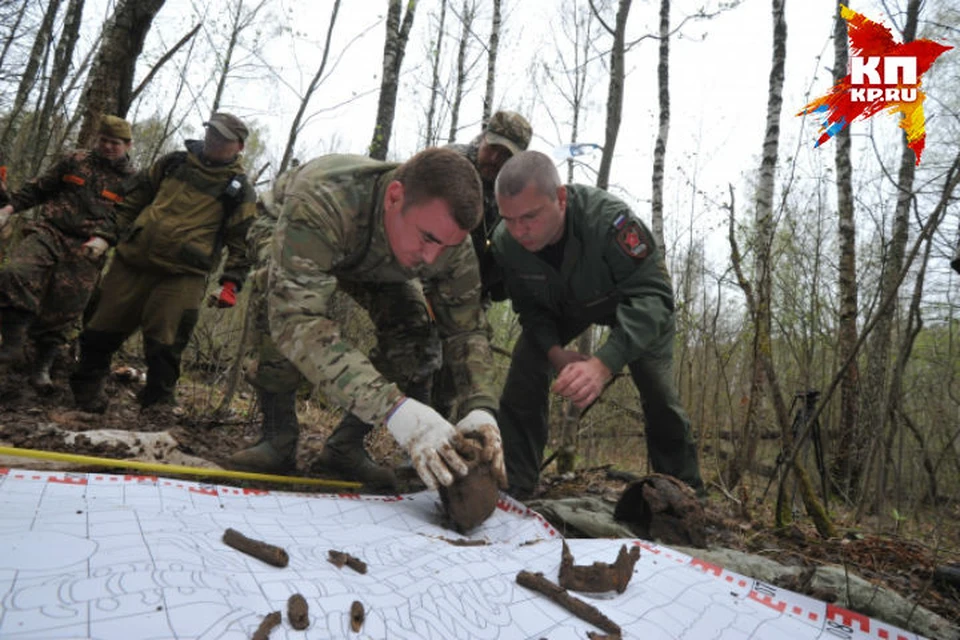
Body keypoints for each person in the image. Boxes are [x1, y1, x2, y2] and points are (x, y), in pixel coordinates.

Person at [227, 147, 505, 492]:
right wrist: (393, 408)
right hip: (291, 228)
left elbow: (466, 329)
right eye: (428, 238)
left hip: (376, 258)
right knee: (277, 296)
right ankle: (278, 438)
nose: (432, 258)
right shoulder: (324, 199)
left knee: (414, 330)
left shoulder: (448, 242)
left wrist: (481, 407)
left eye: (447, 247)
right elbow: (295, 320)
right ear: (394, 197)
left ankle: (344, 447)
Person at [491, 150, 704, 499]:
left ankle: (684, 495)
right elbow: (531, 310)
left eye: (529, 216)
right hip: (565, 306)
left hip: (632, 302)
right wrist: (556, 353)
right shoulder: (505, 242)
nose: (519, 231)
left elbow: (654, 296)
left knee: (658, 390)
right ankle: (516, 483)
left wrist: (604, 363)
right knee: (526, 364)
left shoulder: (607, 221)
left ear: (560, 199)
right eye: (509, 219)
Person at [69, 112, 255, 414]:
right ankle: (86, 391)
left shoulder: (238, 189)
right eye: (211, 133)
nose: (214, 141)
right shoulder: (174, 163)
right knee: (100, 327)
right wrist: (105, 237)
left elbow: (241, 240)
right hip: (132, 260)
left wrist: (231, 284)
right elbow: (133, 201)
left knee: (165, 342)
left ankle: (157, 405)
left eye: (223, 138)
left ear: (239, 147)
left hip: (182, 275)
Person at [0, 115, 136, 389]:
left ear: (128, 145)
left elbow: (128, 219)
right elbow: (39, 188)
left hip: (89, 247)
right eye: (105, 141)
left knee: (66, 308)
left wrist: (105, 240)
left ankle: (42, 367)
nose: (109, 147)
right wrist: (8, 209)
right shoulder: (75, 160)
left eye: (116, 143)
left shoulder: (132, 181)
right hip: (50, 231)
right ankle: (12, 345)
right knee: (16, 273)